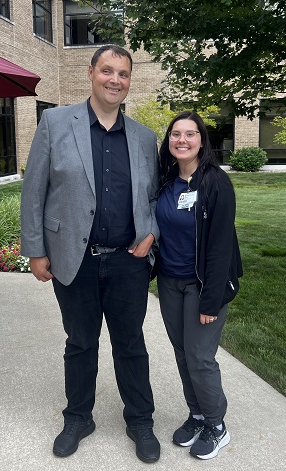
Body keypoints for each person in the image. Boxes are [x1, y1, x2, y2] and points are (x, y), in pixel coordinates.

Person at [20, 45, 160, 464]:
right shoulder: (55, 121)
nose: (115, 80)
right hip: (73, 258)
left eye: (123, 73)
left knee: (131, 343)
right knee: (80, 342)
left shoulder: (143, 137)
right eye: (107, 71)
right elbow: (35, 191)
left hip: (127, 261)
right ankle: (79, 417)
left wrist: (149, 233)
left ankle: (140, 419)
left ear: (129, 80)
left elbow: (152, 196)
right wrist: (36, 250)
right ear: (91, 73)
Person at [155, 111, 243, 460]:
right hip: (169, 281)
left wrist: (211, 300)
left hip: (203, 284)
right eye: (176, 134)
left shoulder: (216, 183)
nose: (182, 140)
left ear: (201, 141)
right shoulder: (165, 180)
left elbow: (221, 246)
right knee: (181, 351)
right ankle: (197, 414)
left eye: (190, 134)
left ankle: (217, 425)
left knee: (200, 357)